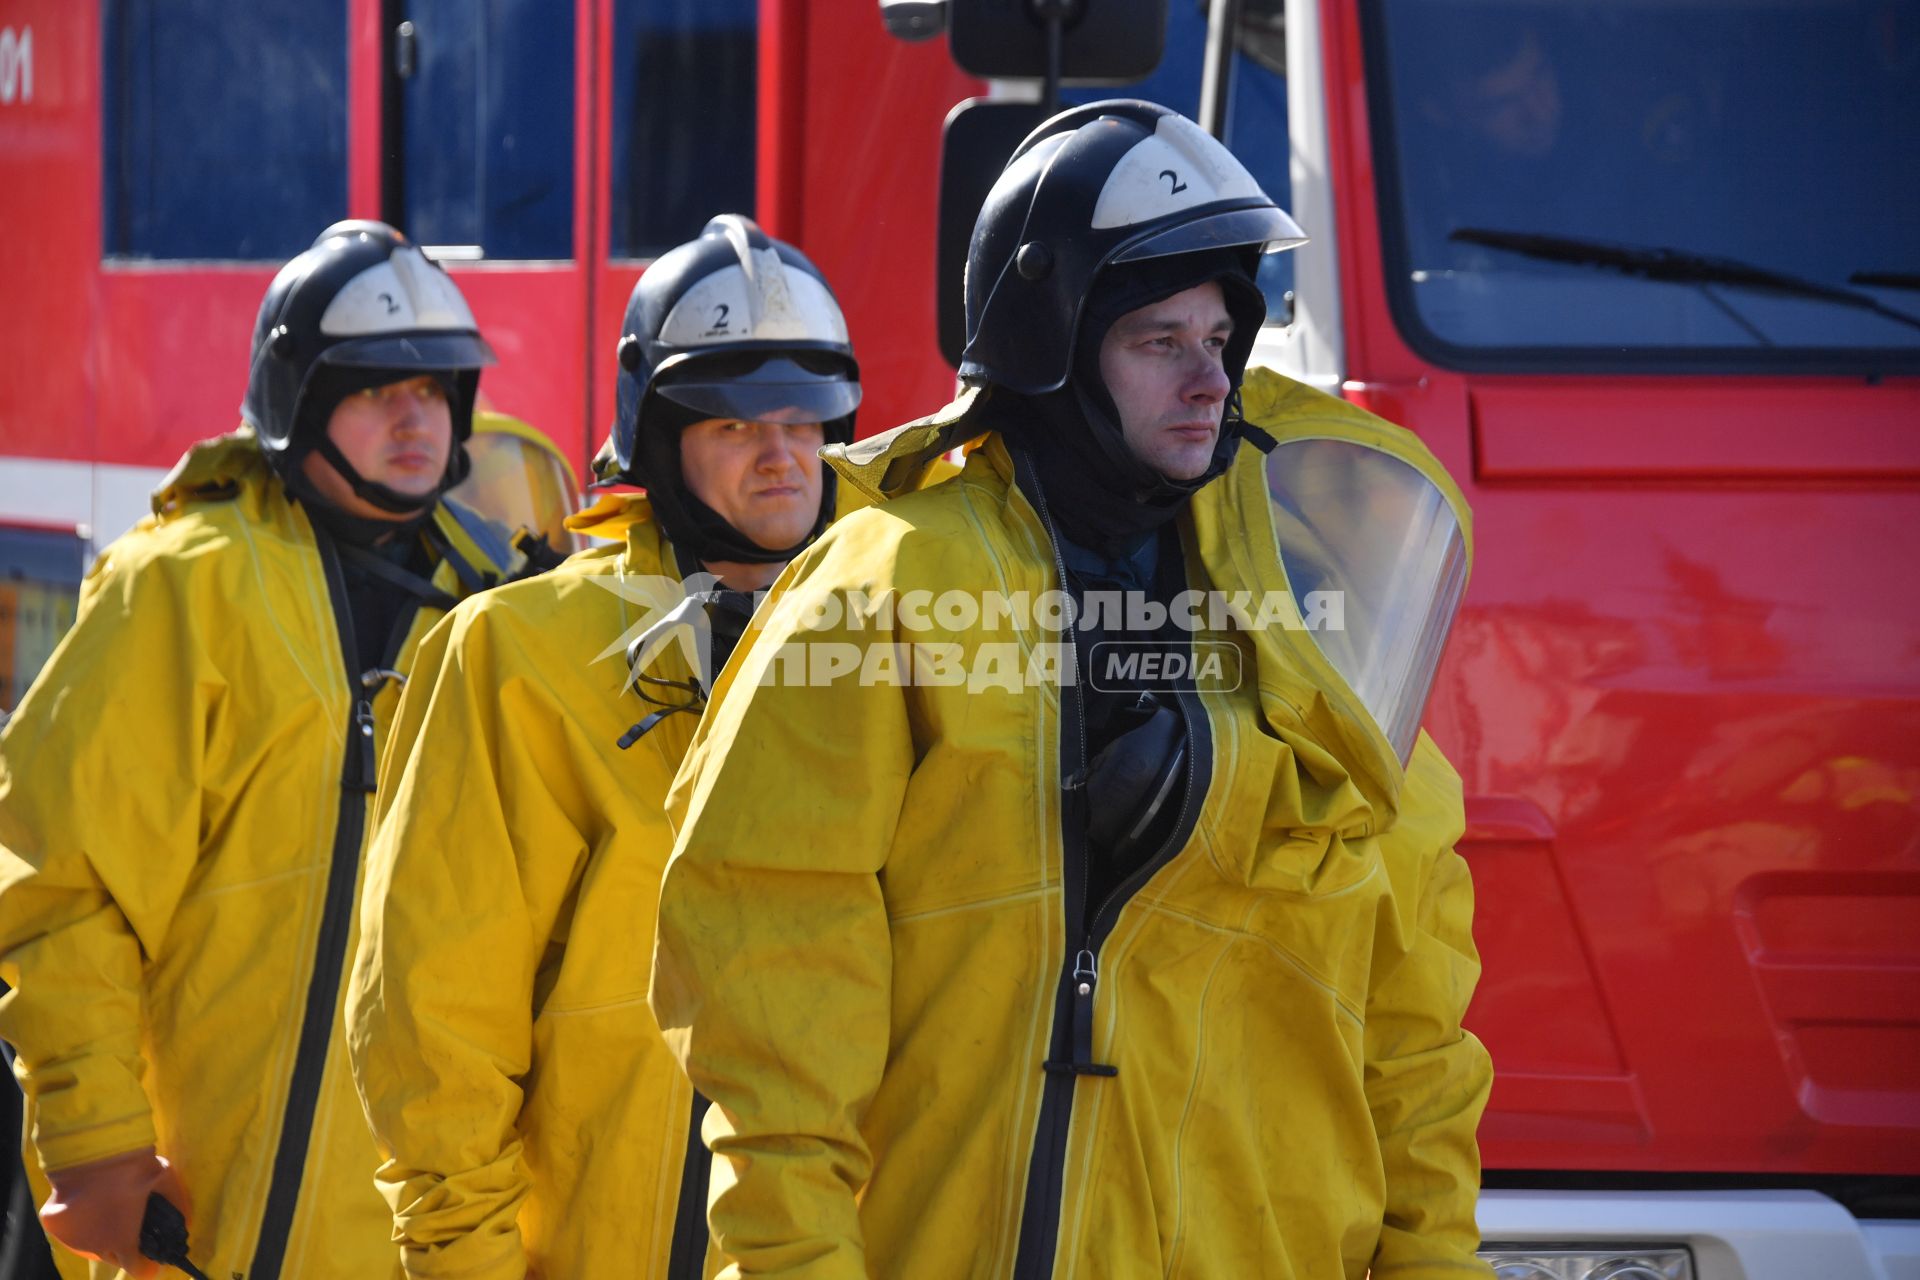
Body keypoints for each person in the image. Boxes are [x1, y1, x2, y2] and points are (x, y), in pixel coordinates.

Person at [649, 101, 1494, 1278]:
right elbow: (773, 1008)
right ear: (1051, 342)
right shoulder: (886, 584)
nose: (1209, 379)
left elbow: (1415, 1026)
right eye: (1160, 340)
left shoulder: (1309, 614)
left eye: (1220, 338)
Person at [0, 221, 523, 1280]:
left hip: (419, 1232)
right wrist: (95, 1134)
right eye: (378, 390)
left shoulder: (500, 603)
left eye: (435, 390)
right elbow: (67, 887)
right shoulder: (180, 586)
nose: (415, 416)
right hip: (206, 1217)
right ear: (301, 398)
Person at [344, 215, 863, 1280]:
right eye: (734, 422)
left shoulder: (899, 647)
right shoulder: (515, 657)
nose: (781, 453)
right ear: (660, 435)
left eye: (806, 417)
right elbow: (434, 1020)